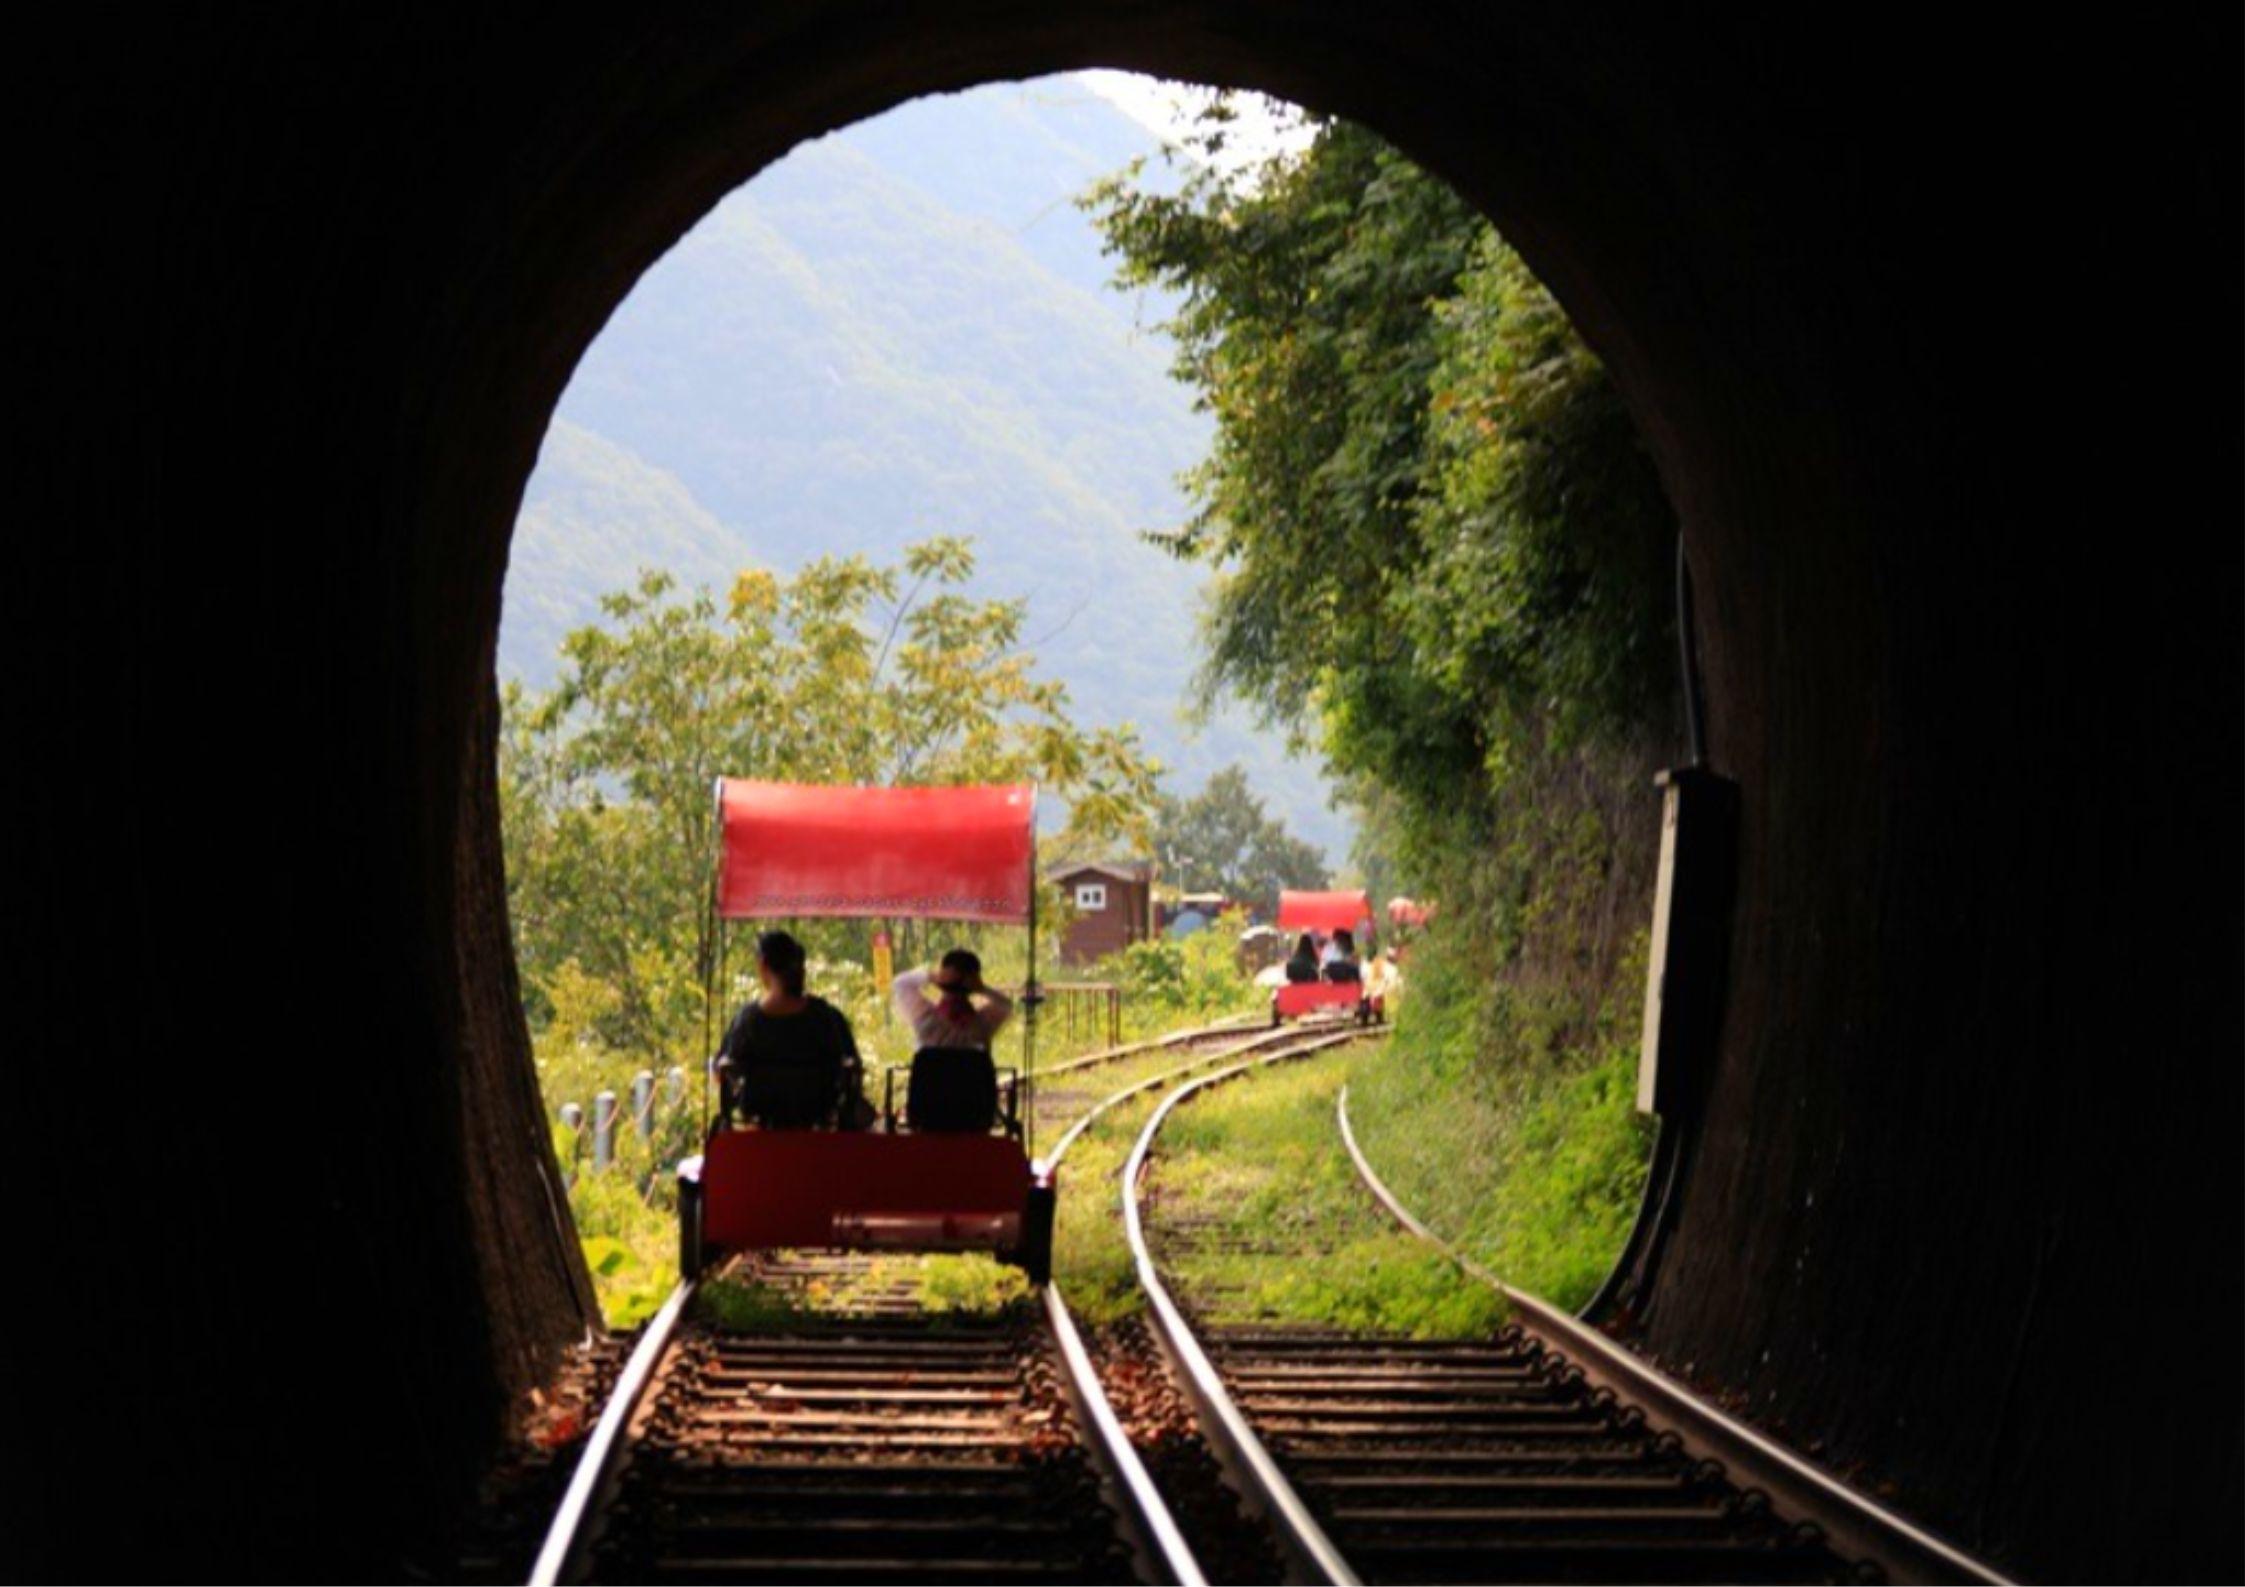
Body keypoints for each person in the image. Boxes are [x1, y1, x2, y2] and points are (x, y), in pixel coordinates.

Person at [716, 930, 868, 1129]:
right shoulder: (826, 1016)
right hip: (817, 1122)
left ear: (763, 966)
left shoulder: (747, 1021)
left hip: (762, 1127)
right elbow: (852, 1066)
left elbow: (723, 1071)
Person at [893, 948, 1014, 1052]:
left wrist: (932, 976)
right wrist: (982, 989)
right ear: (973, 984)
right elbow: (1006, 1005)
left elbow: (900, 983)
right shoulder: (982, 1025)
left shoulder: (927, 1020)